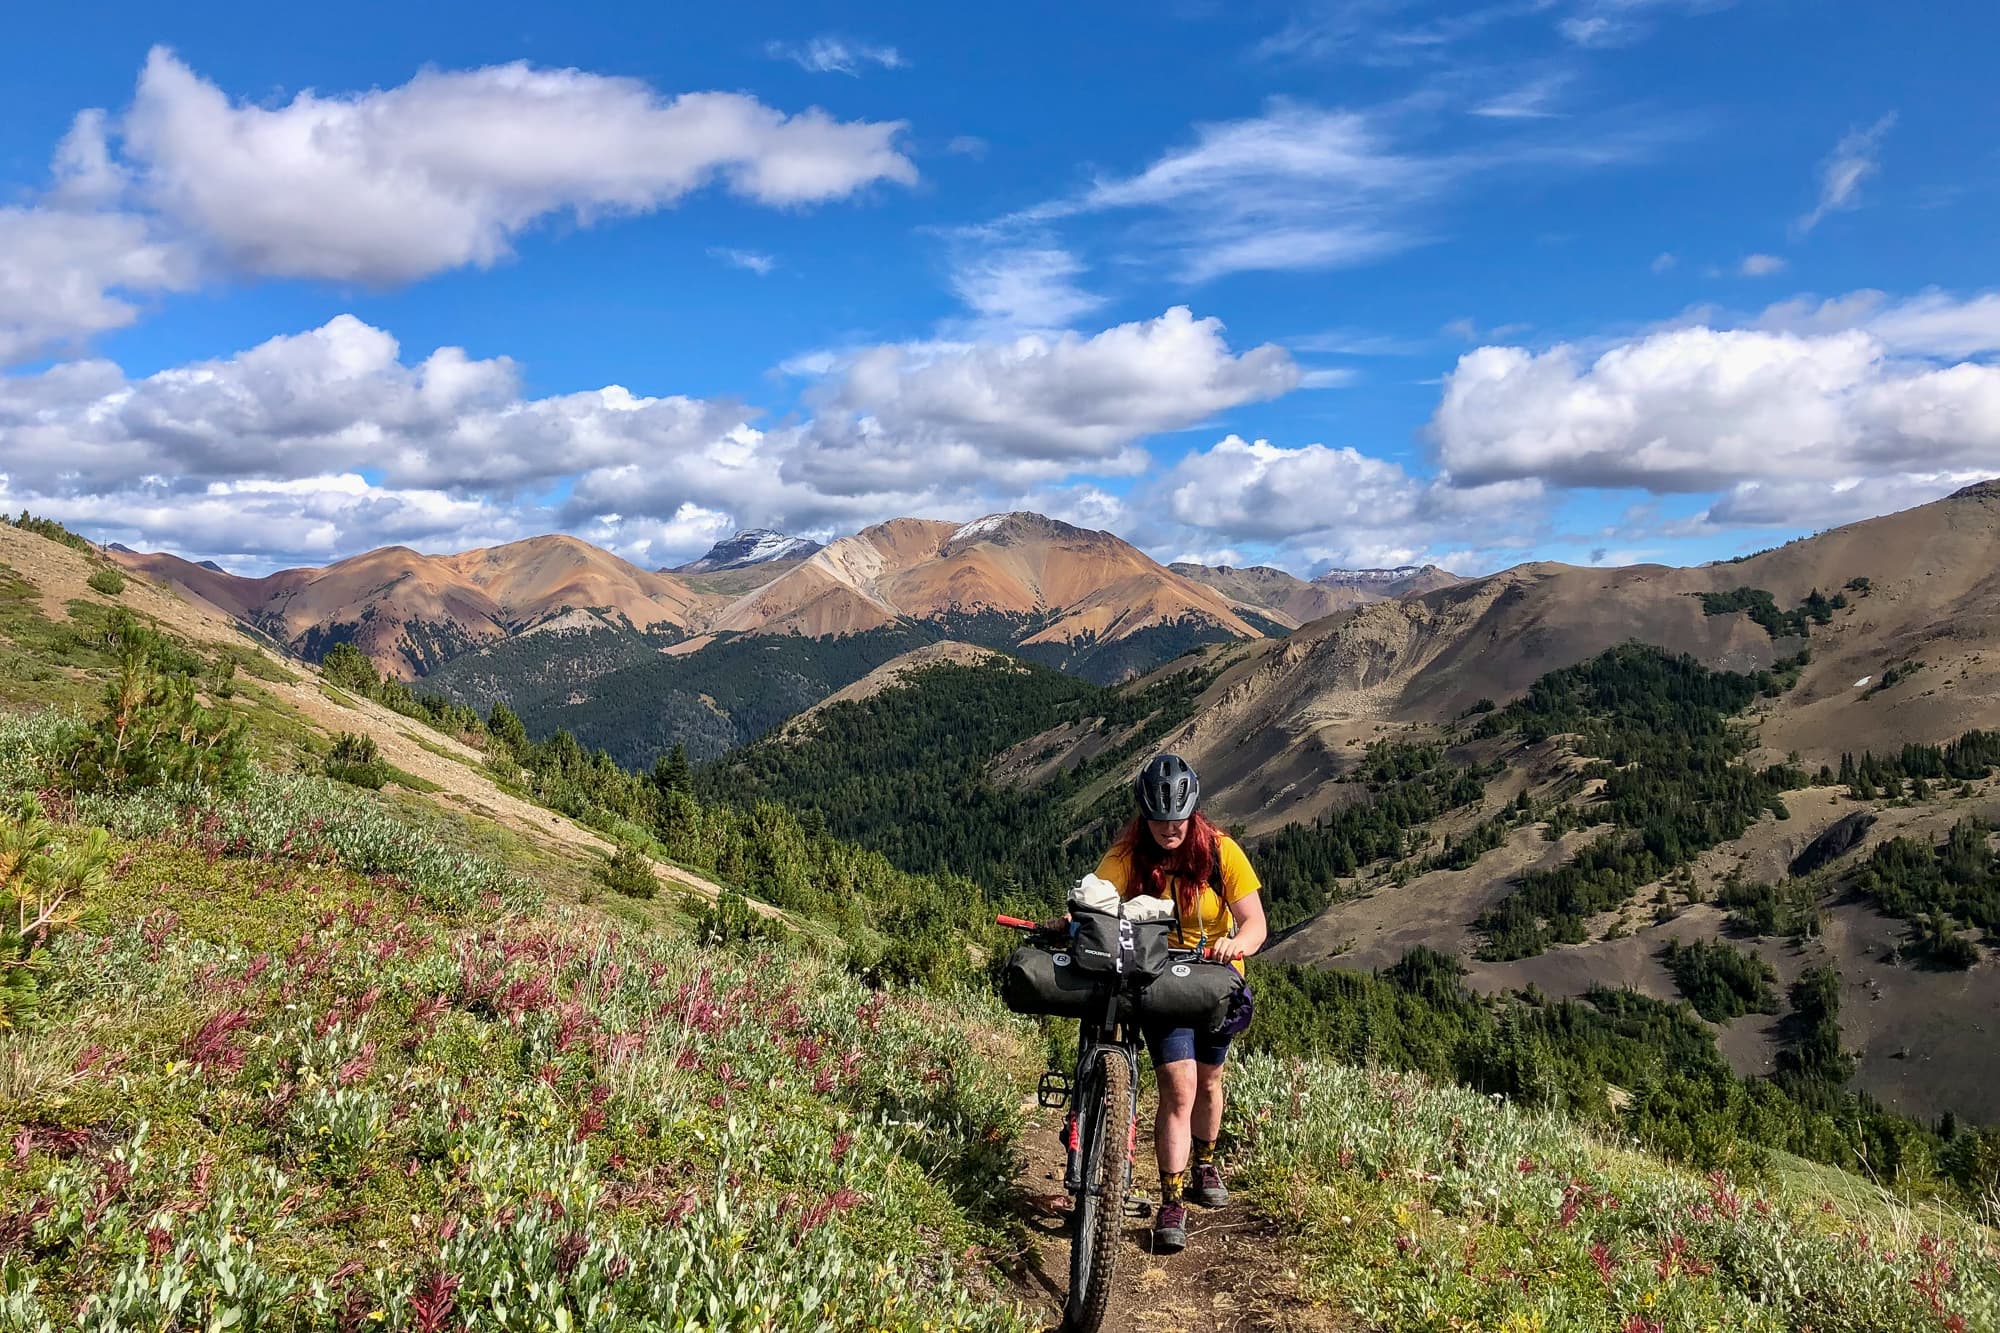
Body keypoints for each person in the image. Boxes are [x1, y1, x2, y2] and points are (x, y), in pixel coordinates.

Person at [1089, 752, 1267, 1255]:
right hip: (1162, 980)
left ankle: (1205, 1163)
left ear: (1193, 814)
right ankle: (1171, 1199)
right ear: (1144, 816)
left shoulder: (1221, 853)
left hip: (1214, 982)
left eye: (1178, 819)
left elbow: (1255, 922)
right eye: (1159, 820)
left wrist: (1238, 944)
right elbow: (1096, 898)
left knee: (1210, 1081)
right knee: (1179, 1085)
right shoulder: (1130, 855)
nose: (1169, 829)